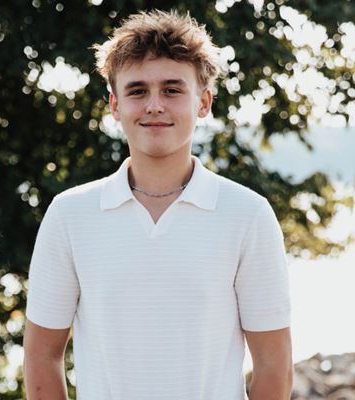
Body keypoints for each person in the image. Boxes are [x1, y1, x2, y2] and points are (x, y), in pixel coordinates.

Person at [23, 9, 293, 400]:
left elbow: (274, 366)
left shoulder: (248, 215)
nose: (154, 105)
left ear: (203, 102)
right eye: (137, 91)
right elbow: (41, 357)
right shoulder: (69, 215)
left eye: (171, 89)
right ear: (115, 105)